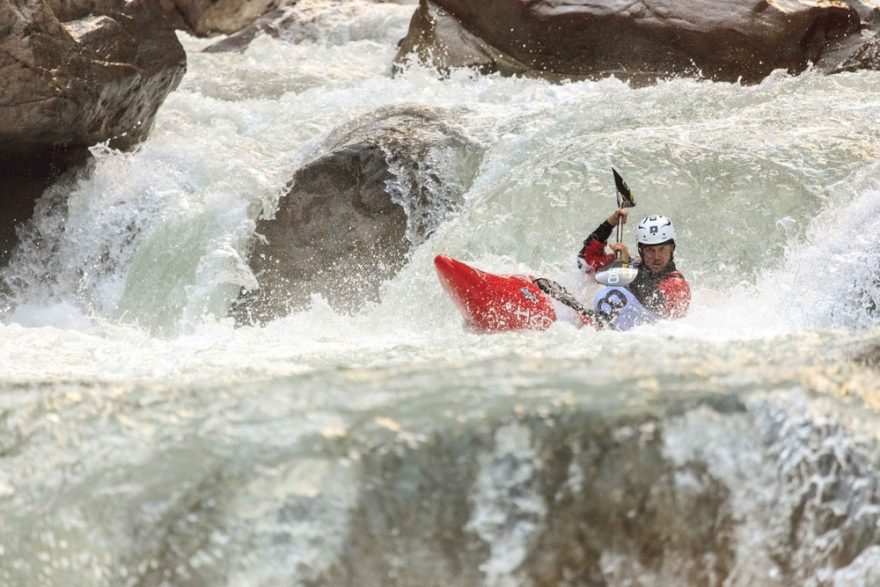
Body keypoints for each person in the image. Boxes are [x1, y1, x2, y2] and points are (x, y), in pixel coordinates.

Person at [578, 209, 691, 320]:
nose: (656, 257)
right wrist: (610, 223)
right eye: (650, 250)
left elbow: (656, 303)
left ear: (672, 249)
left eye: (662, 249)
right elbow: (586, 261)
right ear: (641, 251)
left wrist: (626, 268)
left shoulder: (678, 285)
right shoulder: (629, 262)